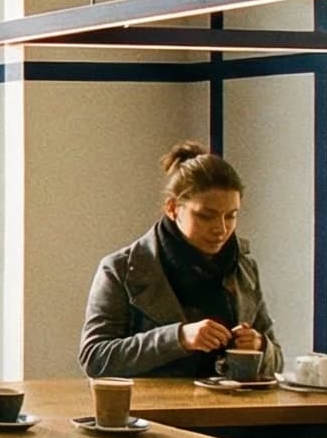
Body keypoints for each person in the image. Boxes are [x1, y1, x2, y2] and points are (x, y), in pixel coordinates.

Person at [80, 143, 281, 378]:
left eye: (231, 215)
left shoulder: (244, 268)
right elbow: (94, 357)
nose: (221, 228)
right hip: (151, 412)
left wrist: (259, 346)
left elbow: (277, 361)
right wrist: (178, 338)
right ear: (173, 208)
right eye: (206, 216)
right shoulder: (121, 268)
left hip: (231, 411)